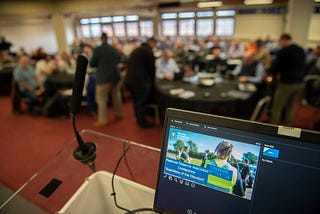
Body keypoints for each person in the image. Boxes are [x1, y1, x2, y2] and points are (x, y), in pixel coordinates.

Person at [270, 34, 306, 126]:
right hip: (300, 83)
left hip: (287, 83)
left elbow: (276, 67)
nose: (280, 44)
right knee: (291, 106)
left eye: (280, 42)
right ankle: (287, 129)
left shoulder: (284, 51)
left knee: (277, 107)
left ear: (283, 40)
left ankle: (272, 129)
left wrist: (272, 75)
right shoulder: (301, 49)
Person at [90, 33, 123, 126]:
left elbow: (92, 63)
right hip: (115, 75)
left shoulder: (97, 49)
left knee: (101, 98)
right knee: (116, 95)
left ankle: (103, 120)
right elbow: (119, 59)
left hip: (103, 77)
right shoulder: (113, 48)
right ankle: (119, 114)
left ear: (101, 39)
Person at [125, 37, 157, 128]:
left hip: (129, 80)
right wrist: (152, 82)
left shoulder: (136, 50)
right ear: (152, 43)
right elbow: (152, 70)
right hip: (139, 82)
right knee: (141, 102)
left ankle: (138, 118)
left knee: (136, 101)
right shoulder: (148, 52)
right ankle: (142, 122)